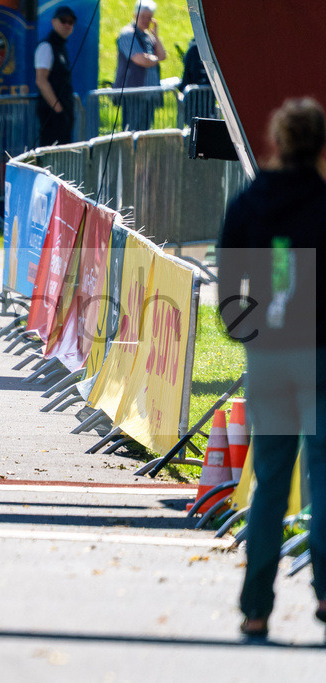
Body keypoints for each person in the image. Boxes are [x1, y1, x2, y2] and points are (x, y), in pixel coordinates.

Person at [217, 97, 326, 640]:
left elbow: (229, 283)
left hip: (269, 354)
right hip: (320, 353)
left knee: (269, 484)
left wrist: (248, 334)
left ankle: (256, 606)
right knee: (323, 481)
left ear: (278, 142)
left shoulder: (249, 203)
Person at [113, 0, 166, 131]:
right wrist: (155, 59)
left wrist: (155, 35)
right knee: (131, 132)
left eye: (149, 17)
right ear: (134, 15)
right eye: (143, 16)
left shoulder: (148, 37)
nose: (146, 20)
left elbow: (163, 55)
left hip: (148, 95)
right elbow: (139, 59)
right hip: (133, 94)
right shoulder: (127, 34)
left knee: (144, 132)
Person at [34, 6, 76, 146]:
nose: (66, 25)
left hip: (64, 114)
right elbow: (41, 80)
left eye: (70, 22)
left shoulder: (62, 47)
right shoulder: (46, 46)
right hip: (52, 115)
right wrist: (57, 109)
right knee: (50, 155)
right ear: (53, 22)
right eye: (63, 20)